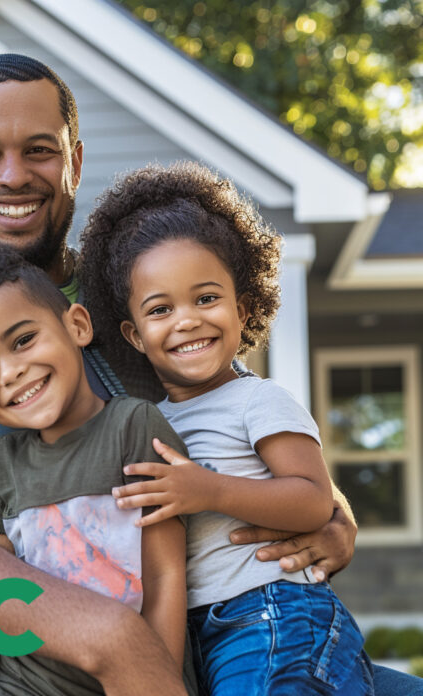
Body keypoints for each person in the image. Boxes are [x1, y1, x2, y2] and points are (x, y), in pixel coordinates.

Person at [0, 53, 381, 694]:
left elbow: (236, 415)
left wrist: (331, 513)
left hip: (194, 616)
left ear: (73, 161)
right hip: (8, 641)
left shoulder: (137, 300)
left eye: (39, 150)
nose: (13, 176)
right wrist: (105, 636)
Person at [78, 161, 374, 694]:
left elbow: (312, 502)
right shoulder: (147, 421)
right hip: (195, 631)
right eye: (161, 309)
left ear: (242, 308)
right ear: (135, 335)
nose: (187, 319)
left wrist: (208, 489)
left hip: (273, 615)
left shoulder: (258, 400)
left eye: (207, 298)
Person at [0, 247, 190, 695]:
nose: (10, 372)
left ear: (77, 325)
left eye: (23, 340)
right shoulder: (0, 463)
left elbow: (166, 576)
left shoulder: (134, 426)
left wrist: (155, 675)